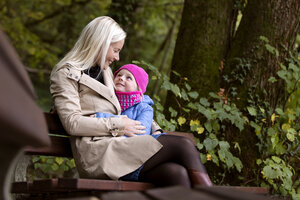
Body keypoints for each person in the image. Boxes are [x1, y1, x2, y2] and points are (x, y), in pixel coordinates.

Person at [50, 16, 212, 188]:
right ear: (101, 43)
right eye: (115, 50)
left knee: (175, 173)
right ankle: (210, 195)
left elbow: (131, 104)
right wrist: (118, 124)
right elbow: (72, 123)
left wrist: (152, 128)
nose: (117, 57)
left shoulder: (106, 72)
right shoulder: (66, 74)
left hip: (123, 145)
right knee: (183, 145)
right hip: (99, 153)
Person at [93, 63, 164, 139]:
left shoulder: (145, 108)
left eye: (129, 78)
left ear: (139, 88)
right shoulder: (107, 99)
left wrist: (101, 116)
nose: (121, 78)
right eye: (119, 75)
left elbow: (141, 134)